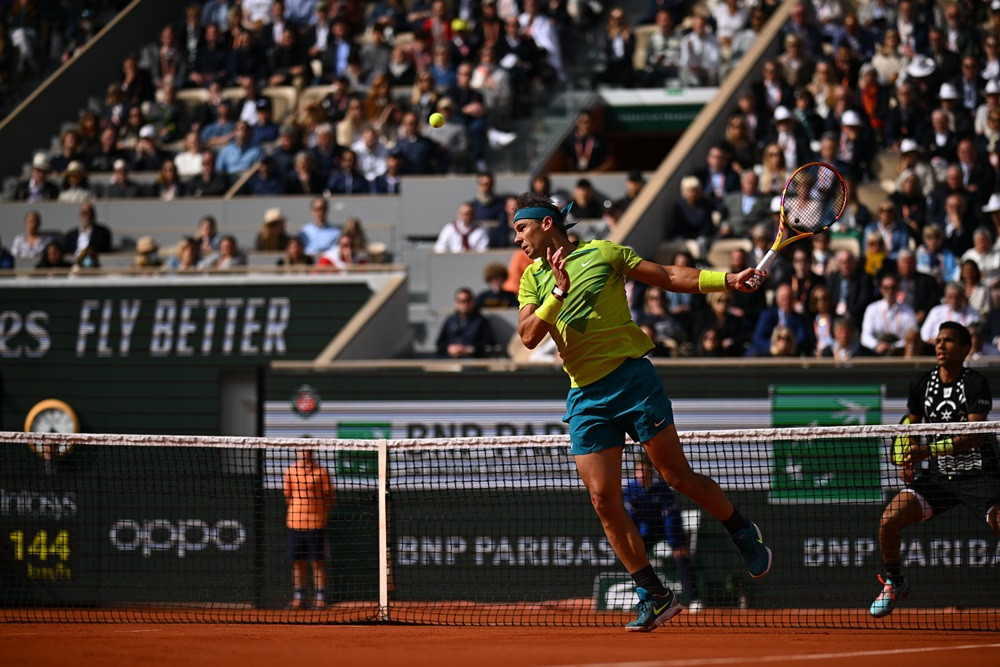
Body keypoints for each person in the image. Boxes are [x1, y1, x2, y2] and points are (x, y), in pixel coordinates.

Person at [511, 193, 771, 632]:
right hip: (585, 396)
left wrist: (726, 280)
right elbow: (529, 336)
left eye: (521, 228)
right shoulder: (533, 279)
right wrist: (557, 291)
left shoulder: (603, 252)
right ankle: (654, 592)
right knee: (603, 500)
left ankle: (741, 528)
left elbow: (668, 274)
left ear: (546, 223)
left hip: (632, 381)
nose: (517, 238)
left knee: (675, 476)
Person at [869, 321, 999, 618]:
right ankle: (894, 582)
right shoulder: (922, 383)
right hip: (938, 478)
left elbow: (974, 436)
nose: (940, 345)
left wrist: (926, 450)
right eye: (938, 340)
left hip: (980, 475)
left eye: (949, 340)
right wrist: (905, 455)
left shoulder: (975, 383)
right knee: (889, 520)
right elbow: (911, 422)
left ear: (965, 349)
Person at [623, 454, 703, 612]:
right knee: (630, 555)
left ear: (651, 472)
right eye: (640, 471)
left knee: (681, 556)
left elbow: (671, 519)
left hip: (665, 530)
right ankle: (639, 596)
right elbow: (630, 519)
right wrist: (634, 543)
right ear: (635, 472)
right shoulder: (629, 491)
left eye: (646, 471)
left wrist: (677, 543)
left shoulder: (662, 489)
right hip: (644, 532)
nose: (643, 474)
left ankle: (694, 599)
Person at [283, 448, 335, 611]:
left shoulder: (322, 472)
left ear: (312, 453)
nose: (304, 453)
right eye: (301, 450)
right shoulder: (290, 471)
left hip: (316, 523)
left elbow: (330, 496)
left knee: (317, 561)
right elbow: (288, 495)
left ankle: (320, 597)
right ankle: (299, 597)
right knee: (297, 561)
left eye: (307, 451)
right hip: (295, 522)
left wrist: (319, 512)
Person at [436, 287, 497, 358]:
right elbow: (440, 343)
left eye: (467, 301)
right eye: (460, 301)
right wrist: (449, 348)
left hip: (473, 360)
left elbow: (488, 342)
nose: (464, 304)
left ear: (472, 302)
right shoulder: (450, 321)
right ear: (456, 303)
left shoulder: (481, 321)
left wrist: (469, 349)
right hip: (449, 358)